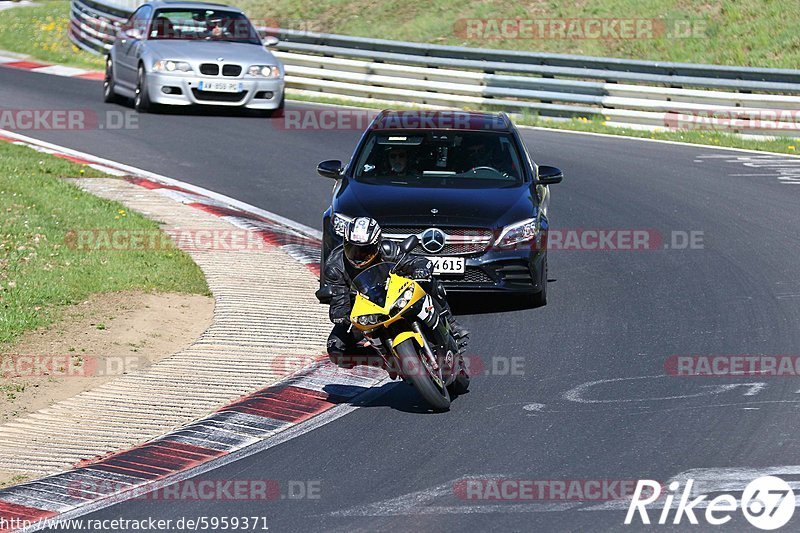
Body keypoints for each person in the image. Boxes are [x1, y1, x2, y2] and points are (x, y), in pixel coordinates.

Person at [323, 217, 467, 372]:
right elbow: (339, 302)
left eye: (365, 250)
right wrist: (340, 315)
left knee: (431, 283)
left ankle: (451, 324)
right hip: (364, 310)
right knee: (336, 349)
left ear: (377, 245)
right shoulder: (334, 267)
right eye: (352, 248)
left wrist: (421, 268)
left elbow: (413, 262)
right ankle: (385, 361)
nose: (358, 256)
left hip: (396, 294)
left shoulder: (387, 249)